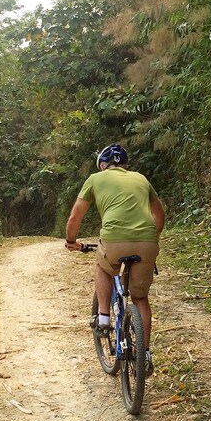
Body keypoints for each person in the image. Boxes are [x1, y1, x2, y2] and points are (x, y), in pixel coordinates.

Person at [65, 144, 165, 373]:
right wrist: (151, 239)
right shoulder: (141, 179)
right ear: (126, 165)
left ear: (102, 165)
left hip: (114, 239)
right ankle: (145, 354)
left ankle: (102, 316)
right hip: (147, 240)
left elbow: (75, 216)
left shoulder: (95, 179)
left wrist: (71, 241)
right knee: (140, 299)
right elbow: (160, 214)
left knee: (104, 269)